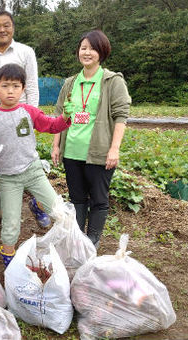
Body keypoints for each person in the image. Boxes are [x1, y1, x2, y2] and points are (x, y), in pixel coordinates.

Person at [0, 63, 71, 266]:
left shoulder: (29, 112)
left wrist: (66, 117)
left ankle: (38, 205)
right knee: (11, 224)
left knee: (58, 210)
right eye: (5, 86)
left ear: (23, 89)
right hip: (7, 177)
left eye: (15, 86)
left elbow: (50, 125)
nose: (10, 91)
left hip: (33, 171)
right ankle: (9, 262)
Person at [51, 30, 131, 249]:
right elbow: (60, 115)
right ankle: (78, 242)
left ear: (101, 52)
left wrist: (114, 149)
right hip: (72, 151)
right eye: (83, 48)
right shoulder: (70, 82)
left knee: (98, 199)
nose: (87, 52)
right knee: (77, 199)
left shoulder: (112, 81)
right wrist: (56, 145)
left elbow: (121, 116)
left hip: (99, 151)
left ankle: (92, 241)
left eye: (92, 48)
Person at [0, 10, 50, 230]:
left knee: (25, 160)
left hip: (20, 113)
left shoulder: (25, 52)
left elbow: (32, 86)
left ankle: (38, 204)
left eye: (6, 25)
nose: (2, 30)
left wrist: (32, 116)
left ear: (13, 28)